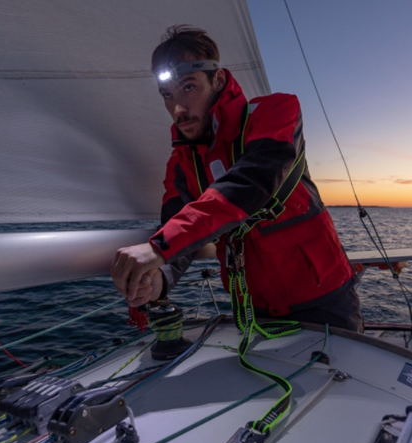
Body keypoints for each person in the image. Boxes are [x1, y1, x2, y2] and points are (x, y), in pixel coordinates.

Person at [111, 25, 362, 333]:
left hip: (325, 299)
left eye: (188, 87)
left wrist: (158, 248)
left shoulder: (276, 111)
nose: (178, 108)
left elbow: (252, 182)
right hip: (251, 307)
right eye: (167, 95)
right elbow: (176, 226)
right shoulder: (181, 163)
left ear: (218, 80)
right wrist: (159, 279)